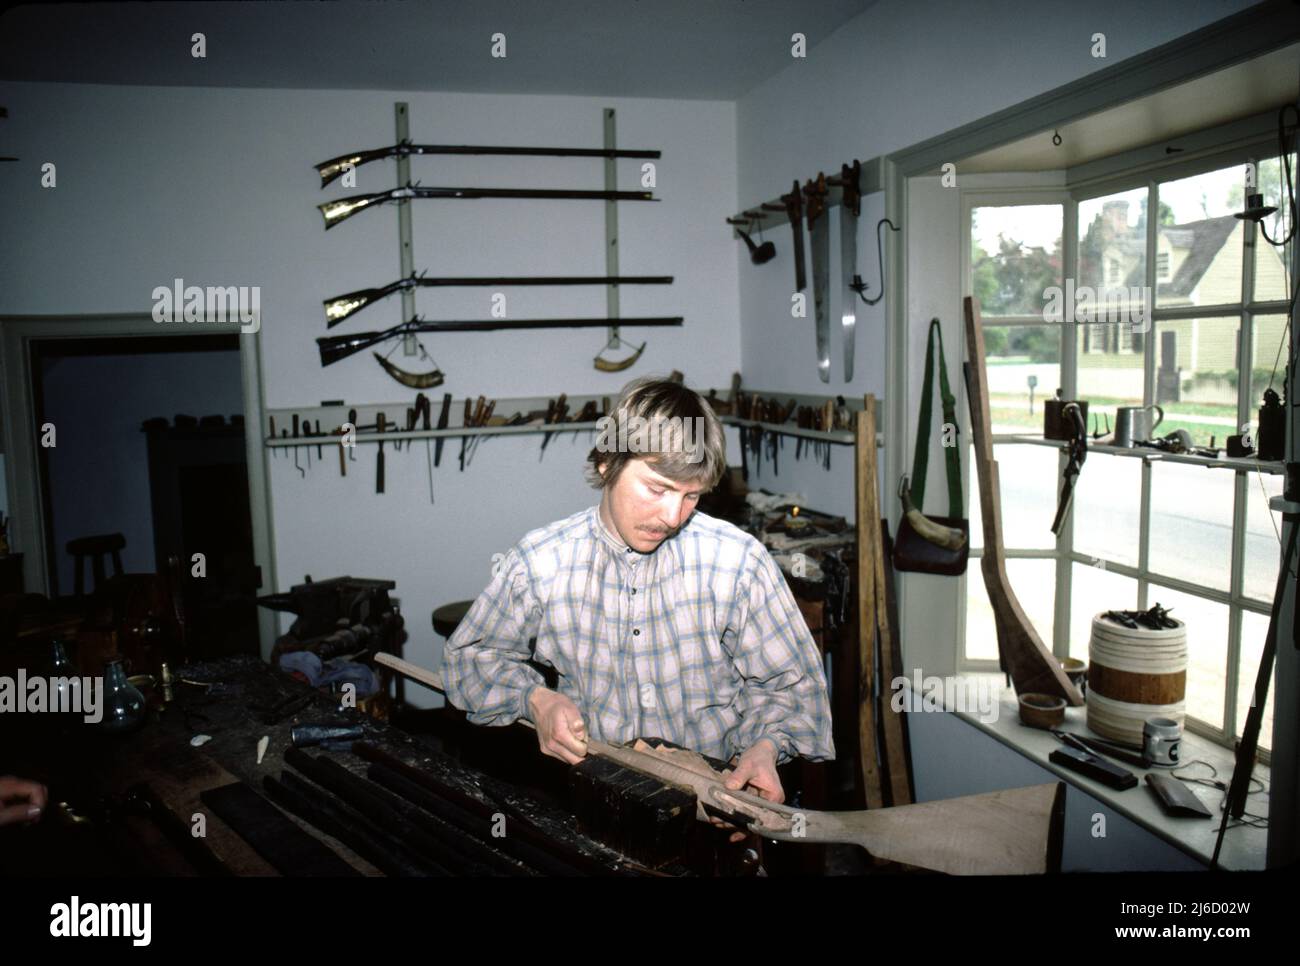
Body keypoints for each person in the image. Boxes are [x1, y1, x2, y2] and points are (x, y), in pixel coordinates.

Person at [443, 377, 834, 829]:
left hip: (713, 812)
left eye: (691, 496)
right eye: (657, 488)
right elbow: (469, 658)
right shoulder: (542, 561)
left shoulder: (737, 560)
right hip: (597, 808)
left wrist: (764, 749)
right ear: (608, 462)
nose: (672, 517)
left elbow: (792, 687)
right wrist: (535, 699)